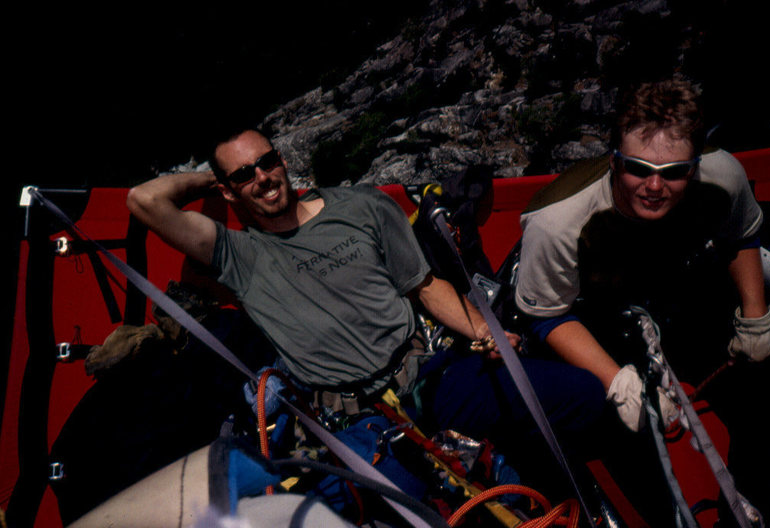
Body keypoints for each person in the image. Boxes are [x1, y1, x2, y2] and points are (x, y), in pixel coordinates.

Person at [127, 126, 605, 497]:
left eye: (267, 162)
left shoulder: (360, 207)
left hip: (426, 377)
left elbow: (423, 285)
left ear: (283, 160)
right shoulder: (239, 254)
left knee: (581, 395)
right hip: (359, 422)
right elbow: (143, 200)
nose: (262, 178)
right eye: (244, 175)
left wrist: (486, 330)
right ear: (228, 190)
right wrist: (210, 179)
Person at [513, 78, 770, 522]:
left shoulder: (724, 177)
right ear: (614, 161)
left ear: (695, 167)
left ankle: (750, 506)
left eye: (674, 173)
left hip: (673, 286)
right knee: (621, 423)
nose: (655, 186)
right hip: (592, 313)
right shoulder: (558, 221)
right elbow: (546, 315)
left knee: (765, 374)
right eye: (638, 168)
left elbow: (741, 234)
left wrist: (754, 317)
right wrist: (614, 378)